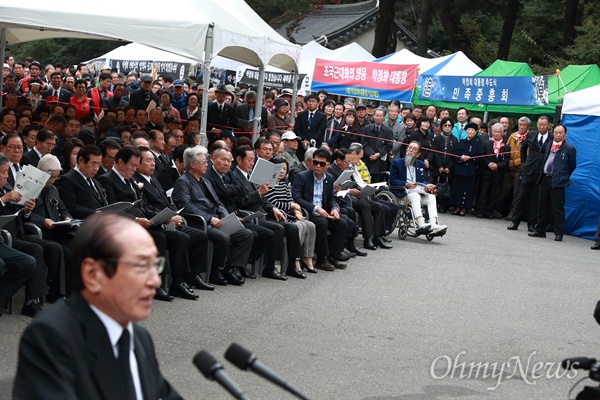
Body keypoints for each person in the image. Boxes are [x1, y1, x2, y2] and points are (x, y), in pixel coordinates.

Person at [13, 213, 183, 400]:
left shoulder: (139, 337)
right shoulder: (51, 337)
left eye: (155, 266)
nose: (155, 281)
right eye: (140, 266)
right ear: (93, 274)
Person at [172, 146, 254, 285]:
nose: (207, 164)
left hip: (215, 219)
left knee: (245, 234)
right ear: (193, 164)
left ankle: (229, 269)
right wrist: (209, 218)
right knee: (223, 238)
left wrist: (224, 216)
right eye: (204, 162)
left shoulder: (206, 181)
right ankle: (215, 271)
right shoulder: (183, 182)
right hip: (200, 222)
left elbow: (218, 202)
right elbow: (186, 206)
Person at [292, 148, 348, 271]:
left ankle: (334, 256)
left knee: (343, 223)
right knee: (322, 223)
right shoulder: (301, 176)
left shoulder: (329, 178)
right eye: (315, 162)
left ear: (327, 165)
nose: (317, 166)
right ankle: (322, 258)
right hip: (308, 211)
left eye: (322, 164)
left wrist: (334, 208)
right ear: (311, 162)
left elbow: (330, 198)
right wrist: (316, 208)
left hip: (324, 212)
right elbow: (296, 198)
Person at [264, 157, 317, 275]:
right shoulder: (268, 184)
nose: (282, 171)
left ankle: (307, 258)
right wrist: (292, 205)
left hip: (289, 215)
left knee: (310, 225)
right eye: (279, 168)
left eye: (284, 168)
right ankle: (295, 261)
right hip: (276, 217)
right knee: (300, 226)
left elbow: (291, 200)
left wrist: (297, 211)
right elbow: (275, 203)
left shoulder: (283, 184)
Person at [528, 124, 576, 241]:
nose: (558, 134)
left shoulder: (569, 148)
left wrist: (563, 176)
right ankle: (540, 230)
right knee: (541, 205)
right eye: (556, 132)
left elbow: (572, 166)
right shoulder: (549, 145)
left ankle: (558, 232)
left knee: (558, 208)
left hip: (558, 181)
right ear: (553, 133)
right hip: (545, 178)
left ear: (565, 134)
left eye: (560, 132)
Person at [390, 141, 447, 235]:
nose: (410, 150)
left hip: (418, 191)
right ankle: (421, 223)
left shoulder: (420, 164)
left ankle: (433, 223)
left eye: (414, 149)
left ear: (418, 154)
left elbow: (423, 180)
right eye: (409, 148)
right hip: (403, 193)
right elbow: (392, 180)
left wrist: (427, 185)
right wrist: (406, 184)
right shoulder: (397, 163)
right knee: (415, 195)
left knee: (431, 197)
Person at [507, 116, 553, 232]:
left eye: (544, 125)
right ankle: (515, 221)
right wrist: (524, 162)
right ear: (536, 125)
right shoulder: (531, 134)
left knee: (535, 199)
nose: (541, 127)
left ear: (548, 125)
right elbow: (523, 148)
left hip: (542, 171)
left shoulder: (552, 137)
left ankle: (531, 223)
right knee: (522, 196)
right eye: (539, 124)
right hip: (529, 169)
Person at [475, 123, 511, 219]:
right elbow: (483, 156)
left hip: (498, 173)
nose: (497, 133)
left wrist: (497, 165)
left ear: (502, 133)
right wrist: (489, 164)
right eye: (495, 131)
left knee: (494, 193)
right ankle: (480, 210)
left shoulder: (506, 147)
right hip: (486, 172)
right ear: (491, 132)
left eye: (499, 132)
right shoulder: (487, 143)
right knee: (484, 191)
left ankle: (489, 211)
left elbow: (506, 160)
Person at [450, 123, 483, 216]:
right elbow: (454, 155)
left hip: (471, 170)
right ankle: (456, 207)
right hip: (459, 169)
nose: (470, 132)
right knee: (457, 188)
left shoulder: (478, 145)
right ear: (466, 131)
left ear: (476, 132)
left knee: (467, 189)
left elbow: (481, 158)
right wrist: (460, 158)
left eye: (473, 130)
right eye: (469, 130)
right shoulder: (460, 143)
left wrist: (471, 158)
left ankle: (464, 208)